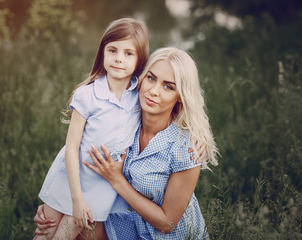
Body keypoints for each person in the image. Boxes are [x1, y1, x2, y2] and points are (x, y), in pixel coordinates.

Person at [35, 47, 218, 239]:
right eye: (151, 78)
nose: (154, 91)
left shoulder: (186, 148)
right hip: (135, 226)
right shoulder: (128, 121)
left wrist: (117, 180)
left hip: (171, 236)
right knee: (70, 224)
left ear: (180, 96)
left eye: (168, 87)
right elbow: (81, 153)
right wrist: (56, 205)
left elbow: (168, 223)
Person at [33, 18, 149, 240]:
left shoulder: (139, 96)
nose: (118, 59)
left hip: (100, 186)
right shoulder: (87, 95)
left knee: (62, 237)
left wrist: (197, 139)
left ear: (139, 58)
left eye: (128, 53)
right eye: (112, 50)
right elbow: (71, 147)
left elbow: (174, 112)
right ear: (102, 52)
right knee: (44, 232)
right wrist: (76, 199)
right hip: (70, 178)